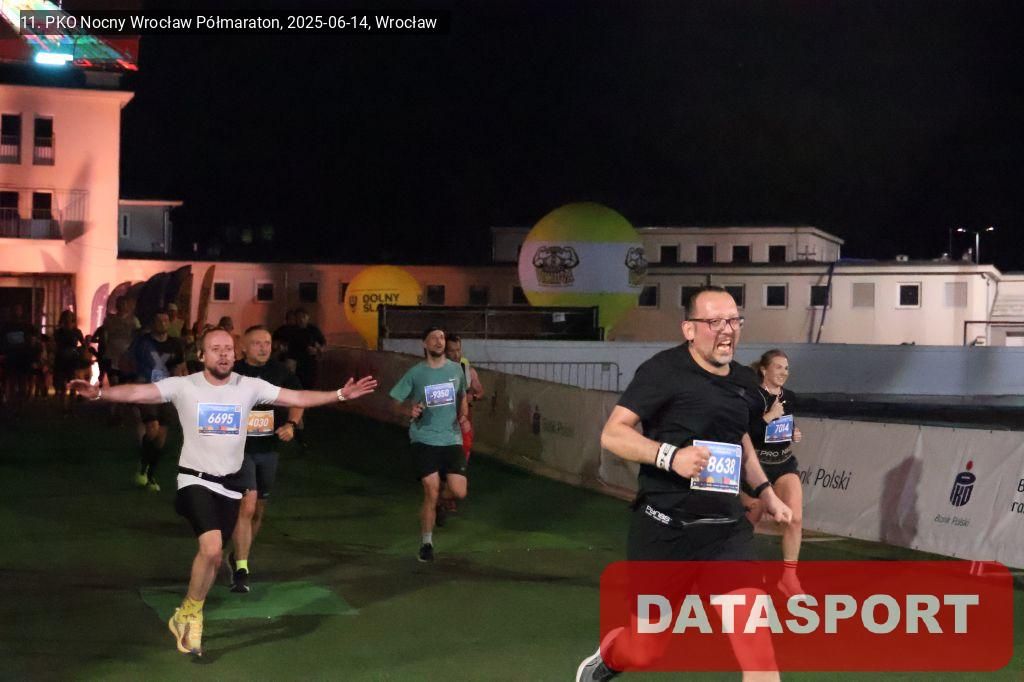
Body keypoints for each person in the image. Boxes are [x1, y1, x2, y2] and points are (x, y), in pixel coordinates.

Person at [70, 328, 377, 657]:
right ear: (202, 355)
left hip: (231, 484)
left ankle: (189, 611)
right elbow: (139, 393)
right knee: (213, 547)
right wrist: (99, 394)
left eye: (228, 348)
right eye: (215, 349)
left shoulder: (249, 386)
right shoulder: (184, 386)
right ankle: (192, 615)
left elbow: (297, 398)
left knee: (214, 558)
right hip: (195, 480)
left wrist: (340, 395)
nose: (223, 354)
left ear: (235, 353)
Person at [575, 286, 792, 682]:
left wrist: (766, 492)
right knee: (645, 651)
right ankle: (611, 655)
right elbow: (613, 434)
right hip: (665, 532)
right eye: (715, 321)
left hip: (725, 534)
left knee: (761, 661)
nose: (727, 330)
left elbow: (740, 440)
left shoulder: (744, 381)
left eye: (734, 320)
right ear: (689, 329)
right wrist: (670, 457)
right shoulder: (662, 371)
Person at [226, 325, 304, 593]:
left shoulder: (280, 373)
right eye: (257, 343)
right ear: (243, 347)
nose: (263, 348)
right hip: (239, 450)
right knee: (247, 506)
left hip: (268, 449)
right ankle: (242, 569)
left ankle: (238, 554)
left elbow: (298, 399)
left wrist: (291, 424)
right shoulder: (232, 373)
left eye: (267, 343)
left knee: (258, 509)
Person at [389, 326, 470, 562]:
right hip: (423, 439)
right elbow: (394, 403)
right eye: (433, 338)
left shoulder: (456, 369)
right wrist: (409, 409)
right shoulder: (416, 373)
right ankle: (426, 544)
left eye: (441, 337)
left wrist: (464, 415)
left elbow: (463, 396)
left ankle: (443, 502)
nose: (439, 341)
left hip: (451, 438)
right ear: (424, 344)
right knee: (430, 490)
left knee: (459, 491)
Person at [742, 349, 804, 597]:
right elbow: (746, 433)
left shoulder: (790, 397)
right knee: (748, 522)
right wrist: (769, 416)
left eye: (786, 368)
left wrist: (793, 433)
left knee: (795, 518)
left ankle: (789, 578)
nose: (783, 372)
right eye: (778, 367)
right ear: (764, 370)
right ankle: (737, 571)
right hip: (756, 466)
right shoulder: (751, 396)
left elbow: (784, 429)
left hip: (783, 464)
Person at [133, 310, 186, 492]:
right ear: (153, 323)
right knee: (152, 428)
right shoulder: (144, 343)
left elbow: (180, 366)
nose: (163, 323)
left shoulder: (174, 344)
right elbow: (130, 361)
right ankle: (143, 467)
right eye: (159, 320)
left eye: (165, 320)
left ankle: (150, 475)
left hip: (167, 393)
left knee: (161, 438)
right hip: (148, 391)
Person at [444, 333, 485, 462]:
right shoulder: (437, 370)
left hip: (463, 420)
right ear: (445, 351)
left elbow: (481, 392)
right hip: (443, 421)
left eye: (458, 350)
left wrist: (472, 397)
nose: (456, 354)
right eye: (452, 351)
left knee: (463, 450)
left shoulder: (468, 371)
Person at [53, 310, 86, 412]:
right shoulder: (59, 332)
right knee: (62, 385)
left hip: (72, 359)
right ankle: (63, 407)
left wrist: (78, 351)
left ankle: (71, 407)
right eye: (66, 317)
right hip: (61, 359)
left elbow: (83, 345)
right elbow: (54, 344)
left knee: (72, 383)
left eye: (69, 317)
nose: (68, 319)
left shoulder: (76, 332)